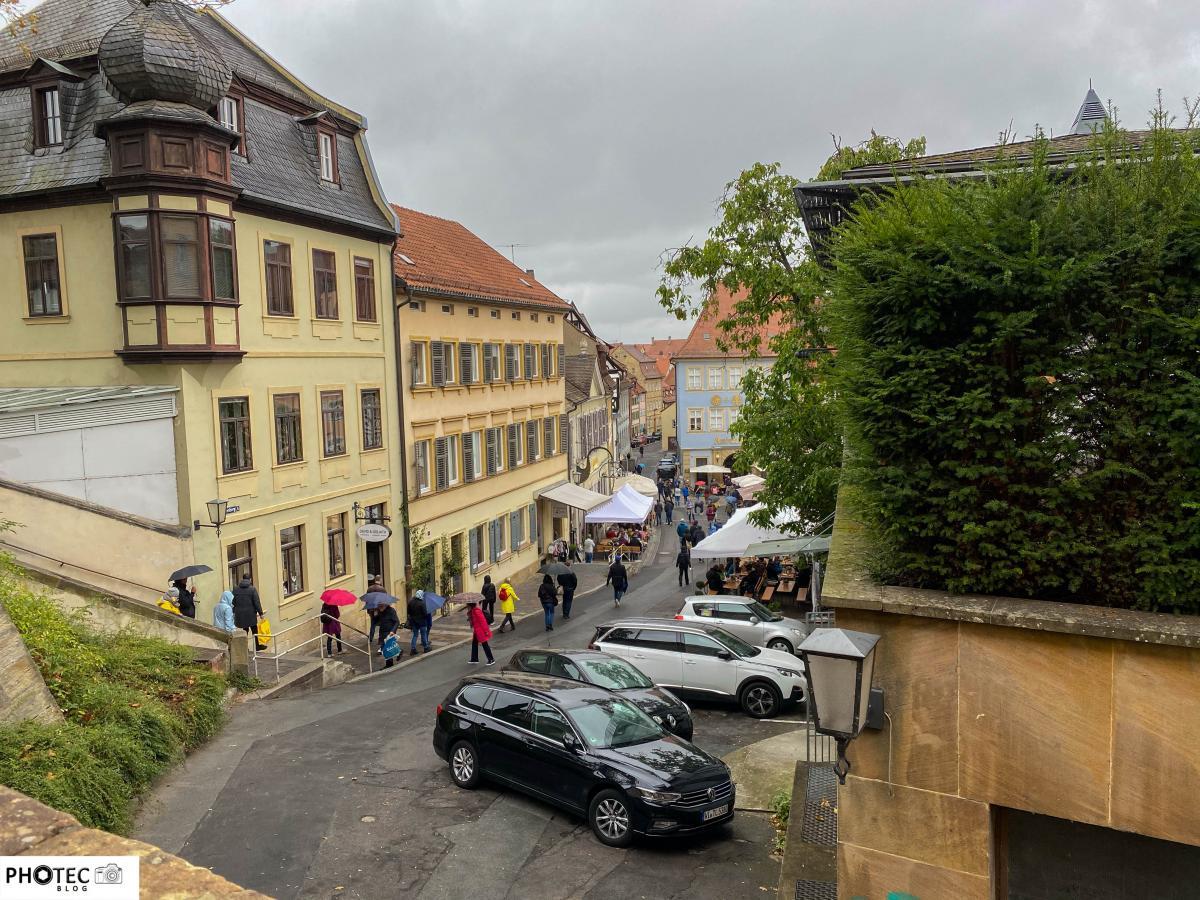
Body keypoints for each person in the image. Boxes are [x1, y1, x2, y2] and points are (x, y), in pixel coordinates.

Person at [231, 576, 264, 647]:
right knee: (254, 630)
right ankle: (257, 646)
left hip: (240, 615)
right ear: (250, 579)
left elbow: (233, 602)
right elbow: (257, 602)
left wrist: (235, 611)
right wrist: (261, 613)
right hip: (250, 614)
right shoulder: (252, 589)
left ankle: (244, 647)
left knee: (245, 630)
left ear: (242, 579)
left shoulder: (236, 589)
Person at [466, 599, 495, 665]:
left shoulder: (476, 611)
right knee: (474, 643)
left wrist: (486, 631)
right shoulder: (473, 611)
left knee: (485, 644)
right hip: (477, 631)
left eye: (467, 604)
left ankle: (491, 659)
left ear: (470, 605)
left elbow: (483, 621)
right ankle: (474, 659)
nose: (467, 605)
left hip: (481, 631)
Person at [375, 601, 401, 667]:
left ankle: (389, 664)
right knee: (386, 648)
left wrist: (393, 630)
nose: (379, 607)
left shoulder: (391, 611)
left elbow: (397, 622)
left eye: (381, 606)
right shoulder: (379, 611)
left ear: (385, 604)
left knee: (387, 648)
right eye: (379, 606)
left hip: (389, 632)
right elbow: (377, 622)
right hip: (382, 632)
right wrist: (374, 615)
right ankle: (399, 652)